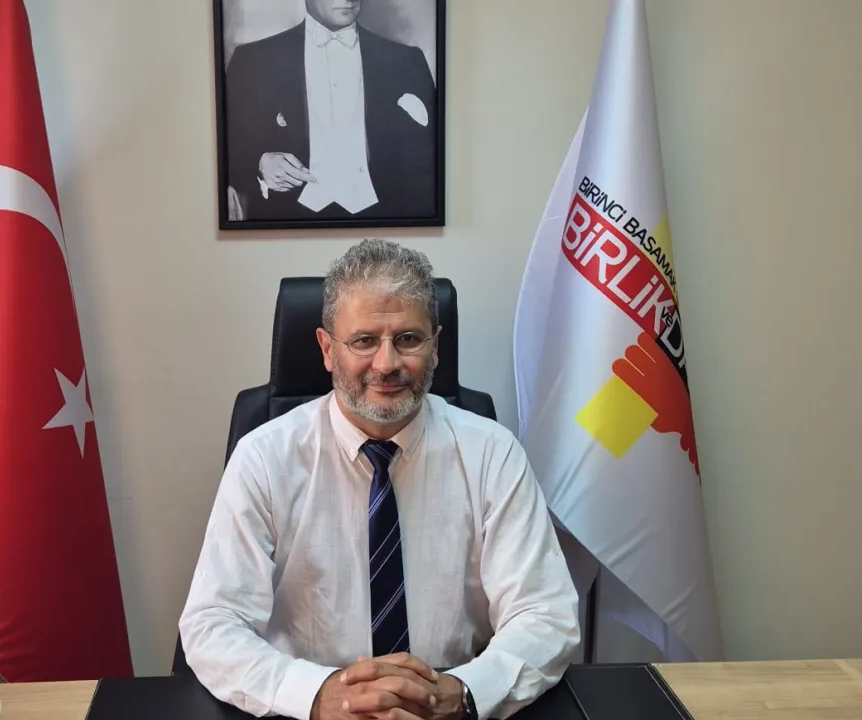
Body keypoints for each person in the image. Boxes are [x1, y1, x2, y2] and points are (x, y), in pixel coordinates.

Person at [178, 239, 581, 720]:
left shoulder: (493, 453)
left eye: (408, 339)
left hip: (448, 704)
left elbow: (545, 614)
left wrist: (463, 691)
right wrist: (317, 695)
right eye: (364, 341)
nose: (387, 364)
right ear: (327, 349)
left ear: (435, 346)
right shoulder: (264, 458)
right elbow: (213, 622)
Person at [223, 0, 438, 221]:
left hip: (385, 219)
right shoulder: (252, 61)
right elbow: (224, 150)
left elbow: (430, 158)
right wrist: (259, 164)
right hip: (286, 221)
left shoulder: (407, 61)